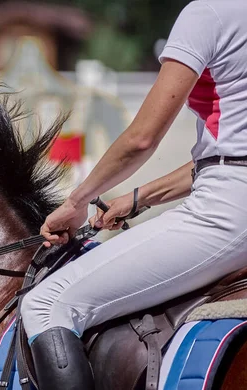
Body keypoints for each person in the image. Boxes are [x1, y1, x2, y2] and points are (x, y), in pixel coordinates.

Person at [20, 1, 247, 389]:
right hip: (230, 194)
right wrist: (139, 198)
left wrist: (77, 203)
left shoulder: (207, 12)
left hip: (229, 212)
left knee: (46, 305)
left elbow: (142, 138)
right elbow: (230, 155)